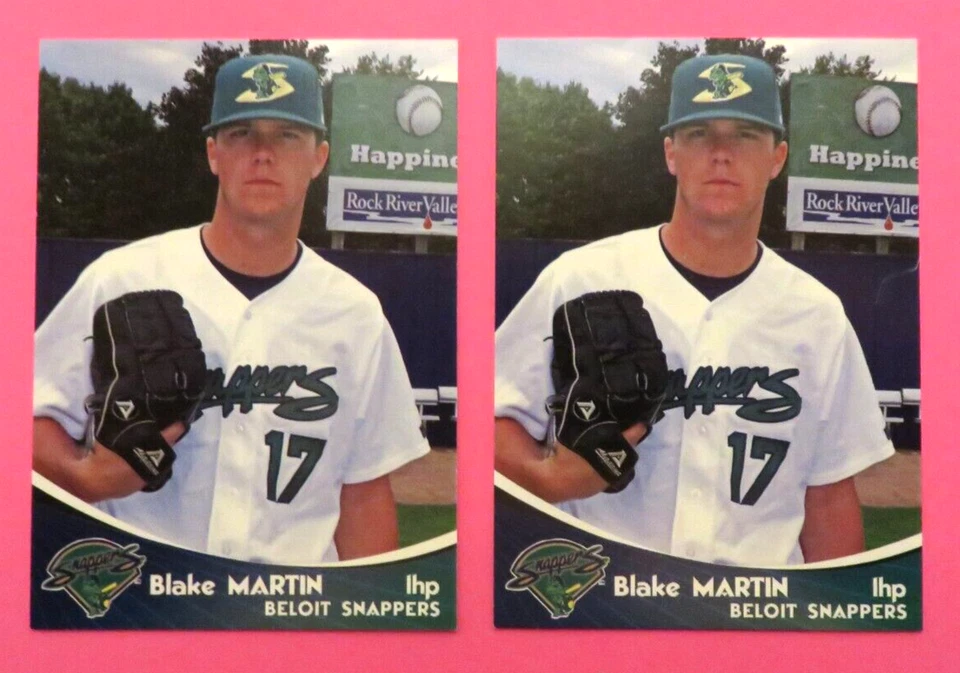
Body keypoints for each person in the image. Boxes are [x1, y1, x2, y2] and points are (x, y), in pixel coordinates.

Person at [494, 53, 894, 566]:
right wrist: (547, 477)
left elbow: (829, 495)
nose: (722, 153)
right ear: (671, 154)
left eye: (746, 135)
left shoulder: (817, 315)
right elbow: (489, 424)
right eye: (700, 134)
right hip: (603, 608)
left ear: (777, 158)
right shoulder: (579, 279)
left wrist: (839, 631)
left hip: (757, 618)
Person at [33, 54, 430, 564]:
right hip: (140, 604)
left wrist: (370, 627)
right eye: (241, 133)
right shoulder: (120, 280)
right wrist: (84, 475)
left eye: (287, 135)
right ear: (213, 153)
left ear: (319, 157)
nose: (263, 152)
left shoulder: (356, 313)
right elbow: (25, 420)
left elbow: (364, 491)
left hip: (294, 616)